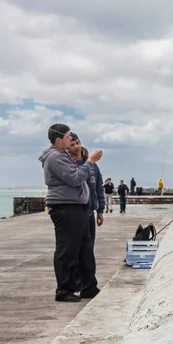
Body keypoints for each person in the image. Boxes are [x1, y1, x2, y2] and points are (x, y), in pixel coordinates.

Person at [38, 123, 102, 302]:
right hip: (66, 207)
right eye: (68, 137)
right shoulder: (55, 157)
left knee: (84, 249)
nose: (70, 139)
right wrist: (90, 162)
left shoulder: (63, 156)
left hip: (77, 207)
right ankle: (64, 290)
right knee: (67, 250)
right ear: (58, 139)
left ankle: (88, 286)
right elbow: (75, 178)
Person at [68, 133, 105, 245]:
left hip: (90, 212)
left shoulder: (92, 165)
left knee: (90, 245)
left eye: (77, 143)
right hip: (76, 212)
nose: (76, 147)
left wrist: (100, 210)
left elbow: (99, 187)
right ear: (67, 148)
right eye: (72, 145)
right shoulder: (68, 164)